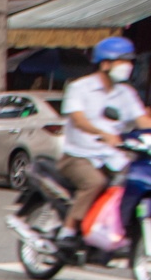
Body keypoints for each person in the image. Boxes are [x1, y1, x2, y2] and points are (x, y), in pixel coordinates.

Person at [58, 37, 151, 242]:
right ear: (105, 64)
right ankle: (68, 230)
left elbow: (142, 120)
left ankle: (115, 229)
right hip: (78, 156)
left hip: (112, 156)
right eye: (122, 61)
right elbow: (79, 119)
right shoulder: (79, 88)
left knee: (135, 180)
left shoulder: (126, 93)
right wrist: (103, 133)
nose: (127, 66)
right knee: (95, 182)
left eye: (129, 61)